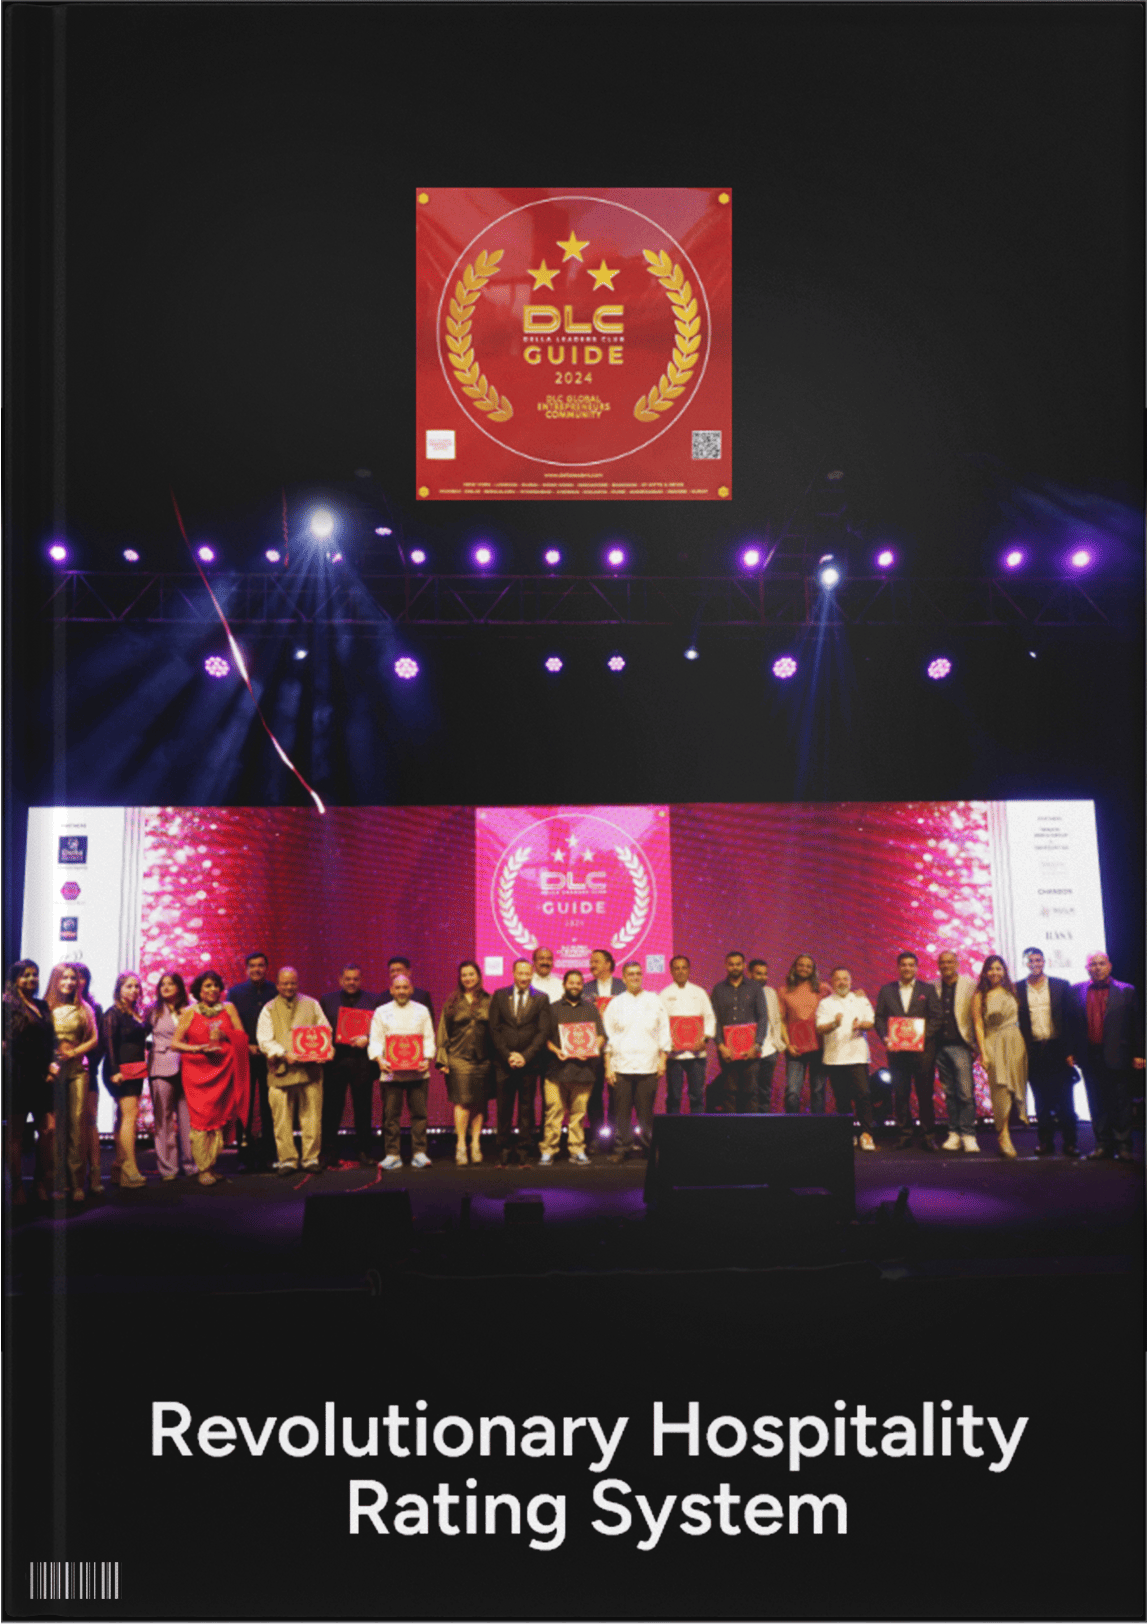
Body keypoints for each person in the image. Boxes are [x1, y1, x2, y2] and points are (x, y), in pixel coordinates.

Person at [173, 970, 250, 1186]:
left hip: (223, 1072)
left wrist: (226, 1035)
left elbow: (242, 1037)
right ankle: (203, 1168)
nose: (213, 989)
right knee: (202, 1121)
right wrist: (198, 1048)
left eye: (216, 985)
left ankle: (211, 1165)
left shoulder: (229, 1008)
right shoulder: (189, 1012)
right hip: (197, 1074)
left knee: (219, 1120)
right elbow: (175, 1043)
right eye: (207, 985)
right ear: (199, 990)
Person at [1070, 950, 1144, 1162]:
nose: (1097, 967)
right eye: (1093, 964)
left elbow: (1137, 1024)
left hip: (1118, 1053)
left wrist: (1140, 1053)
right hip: (1089, 1054)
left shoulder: (1126, 990)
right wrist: (1072, 1052)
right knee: (1096, 1101)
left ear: (1109, 966)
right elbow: (1072, 1024)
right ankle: (1102, 1144)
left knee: (1121, 1102)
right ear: (1087, 968)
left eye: (1101, 963)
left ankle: (1124, 1145)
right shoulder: (1076, 990)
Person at [256, 966, 330, 1175]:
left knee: (312, 1117)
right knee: (281, 1119)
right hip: (280, 1070)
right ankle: (287, 1160)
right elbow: (264, 1040)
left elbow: (325, 1030)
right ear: (277, 985)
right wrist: (283, 1053)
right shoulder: (269, 1008)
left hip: (310, 1071)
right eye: (285, 983)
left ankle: (310, 1158)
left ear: (298, 983)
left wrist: (325, 1049)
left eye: (293, 983)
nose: (289, 987)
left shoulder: (312, 1004)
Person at [874, 952, 943, 1150]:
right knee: (901, 1094)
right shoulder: (887, 990)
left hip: (923, 1052)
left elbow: (937, 1017)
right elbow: (879, 1018)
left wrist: (920, 1037)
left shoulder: (927, 989)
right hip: (897, 1052)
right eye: (903, 965)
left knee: (925, 1095)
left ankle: (928, 1135)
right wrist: (885, 1037)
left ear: (916, 968)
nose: (907, 968)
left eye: (911, 965)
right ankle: (905, 1135)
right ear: (898, 967)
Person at [3, 960, 57, 1205]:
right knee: (15, 1133)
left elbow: (51, 1039)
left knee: (48, 1129)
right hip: (17, 1072)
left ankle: (40, 1182)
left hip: (42, 1075)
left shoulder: (42, 1005)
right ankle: (16, 1187)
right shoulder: (6, 1004)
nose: (31, 979)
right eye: (26, 975)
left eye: (35, 974)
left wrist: (53, 1063)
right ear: (15, 979)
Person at [604, 961, 670, 1160]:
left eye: (638, 973)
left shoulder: (654, 1000)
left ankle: (648, 1148)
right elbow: (608, 1037)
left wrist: (663, 1060)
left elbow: (664, 1031)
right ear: (623, 978)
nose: (635, 977)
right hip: (621, 1066)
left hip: (648, 1065)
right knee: (621, 1113)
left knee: (646, 1113)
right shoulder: (615, 1004)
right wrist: (608, 1067)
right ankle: (621, 1148)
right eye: (630, 974)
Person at [1016, 947, 1079, 1157]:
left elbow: (1070, 1020)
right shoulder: (1017, 988)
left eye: (1038, 960)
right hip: (1033, 1050)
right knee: (1040, 1101)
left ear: (1044, 961)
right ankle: (1045, 1142)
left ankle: (1070, 1143)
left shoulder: (1061, 985)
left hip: (1058, 1049)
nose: (1034, 963)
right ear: (1025, 963)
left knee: (1066, 1100)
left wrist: (1070, 1051)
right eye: (1030, 960)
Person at [369, 974, 436, 1170]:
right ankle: (392, 1154)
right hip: (391, 1073)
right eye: (397, 988)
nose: (401, 991)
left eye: (405, 987)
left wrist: (427, 1059)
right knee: (391, 1117)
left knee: (419, 1115)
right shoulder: (381, 1011)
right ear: (391, 990)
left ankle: (419, 1153)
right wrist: (379, 1059)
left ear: (411, 989)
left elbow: (428, 1038)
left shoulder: (422, 1010)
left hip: (418, 1072)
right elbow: (376, 1039)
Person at [487, 959, 550, 1166]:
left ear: (532, 974)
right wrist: (508, 1055)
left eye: (527, 974)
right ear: (513, 973)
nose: (524, 977)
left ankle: (524, 1150)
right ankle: (503, 1150)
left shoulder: (541, 998)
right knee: (503, 1109)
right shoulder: (499, 995)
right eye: (520, 973)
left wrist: (525, 1056)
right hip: (504, 1063)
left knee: (526, 1109)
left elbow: (542, 1032)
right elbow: (494, 1029)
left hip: (529, 1064)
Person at [45, 963, 99, 1200]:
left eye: (72, 978)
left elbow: (94, 1039)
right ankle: (59, 1183)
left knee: (78, 1125)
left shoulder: (84, 1007)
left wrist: (75, 1052)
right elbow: (40, 1040)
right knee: (57, 1127)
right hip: (54, 1072)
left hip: (78, 1071)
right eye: (64, 978)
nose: (69, 982)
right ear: (56, 980)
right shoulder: (46, 1006)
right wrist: (51, 1061)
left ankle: (77, 1183)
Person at [319, 964, 382, 1168]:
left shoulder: (373, 1000)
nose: (352, 982)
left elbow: (381, 1029)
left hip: (362, 1061)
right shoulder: (327, 1000)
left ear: (361, 979)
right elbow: (320, 1029)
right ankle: (329, 1151)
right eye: (348, 979)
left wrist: (368, 1038)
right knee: (331, 1108)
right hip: (335, 1061)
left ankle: (363, 1150)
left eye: (355, 979)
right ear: (340, 980)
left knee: (363, 1108)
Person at [540, 970, 606, 1165]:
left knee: (578, 1115)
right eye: (571, 983)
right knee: (553, 1113)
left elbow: (601, 1036)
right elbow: (543, 1038)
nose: (575, 986)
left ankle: (577, 1149)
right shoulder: (552, 1008)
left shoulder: (591, 1009)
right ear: (564, 984)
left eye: (578, 983)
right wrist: (556, 1050)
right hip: (556, 1070)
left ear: (582, 986)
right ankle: (549, 1150)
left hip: (584, 1071)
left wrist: (592, 1048)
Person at [435, 961, 493, 1166]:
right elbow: (443, 1030)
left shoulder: (489, 1000)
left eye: (471, 974)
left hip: (484, 1059)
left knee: (479, 1102)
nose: (468, 978)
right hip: (458, 1058)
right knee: (461, 1101)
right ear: (460, 978)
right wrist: (442, 1059)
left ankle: (475, 1143)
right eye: (464, 975)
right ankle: (460, 1144)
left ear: (478, 976)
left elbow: (495, 1031)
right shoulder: (452, 1002)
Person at [971, 954, 1028, 1159]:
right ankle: (1003, 1135)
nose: (995, 972)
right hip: (993, 1042)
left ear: (1004, 971)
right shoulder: (980, 995)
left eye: (998, 968)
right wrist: (983, 1053)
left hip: (1015, 1041)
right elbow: (978, 1025)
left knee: (1013, 1088)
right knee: (1000, 1089)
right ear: (985, 972)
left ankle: (1007, 1131)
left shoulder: (1012, 992)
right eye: (991, 969)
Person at [816, 967, 877, 1149]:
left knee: (863, 1095)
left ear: (850, 981)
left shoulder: (860, 999)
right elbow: (820, 1028)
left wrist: (861, 1025)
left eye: (845, 979)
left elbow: (871, 1022)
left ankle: (866, 1134)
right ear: (832, 982)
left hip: (857, 1056)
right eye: (838, 979)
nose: (842, 982)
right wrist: (835, 1023)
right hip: (835, 1058)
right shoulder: (825, 1003)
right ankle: (848, 1133)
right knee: (842, 1098)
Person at [226, 952, 277, 1172]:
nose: (257, 969)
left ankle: (269, 1155)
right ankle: (244, 1156)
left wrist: (267, 1047)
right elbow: (229, 1024)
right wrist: (246, 1045)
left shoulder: (275, 991)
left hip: (270, 1058)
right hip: (243, 1057)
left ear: (267, 968)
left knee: (270, 1107)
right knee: (244, 1107)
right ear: (246, 969)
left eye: (261, 965)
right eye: (253, 966)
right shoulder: (235, 993)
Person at [102, 972, 152, 1187]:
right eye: (129, 986)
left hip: (136, 1069)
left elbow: (137, 1039)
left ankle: (119, 1166)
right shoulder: (113, 1013)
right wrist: (115, 1071)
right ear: (119, 989)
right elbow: (109, 1043)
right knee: (130, 1116)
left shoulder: (135, 1013)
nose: (134, 990)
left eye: (136, 986)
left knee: (124, 1117)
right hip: (120, 1070)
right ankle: (130, 1167)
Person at [147, 971, 197, 1181]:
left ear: (179, 987)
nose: (166, 987)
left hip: (188, 1067)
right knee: (163, 1120)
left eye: (170, 984)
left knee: (189, 1120)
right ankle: (168, 1168)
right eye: (162, 984)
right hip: (160, 1066)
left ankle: (191, 1164)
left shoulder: (191, 1008)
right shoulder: (152, 1010)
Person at [933, 950, 980, 1153]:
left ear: (957, 963)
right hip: (939, 1047)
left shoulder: (970, 985)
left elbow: (978, 1016)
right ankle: (954, 1133)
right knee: (950, 1094)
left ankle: (968, 1134)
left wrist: (977, 1045)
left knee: (965, 1093)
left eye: (950, 962)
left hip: (961, 1046)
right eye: (942, 962)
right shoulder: (932, 986)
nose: (946, 965)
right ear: (938, 965)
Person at [710, 951, 768, 1114]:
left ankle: (751, 1128)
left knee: (750, 1092)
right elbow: (714, 1020)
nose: (735, 967)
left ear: (744, 965)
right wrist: (720, 1046)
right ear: (726, 965)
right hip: (728, 1051)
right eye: (731, 964)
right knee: (729, 1093)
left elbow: (763, 1017)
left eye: (738, 964)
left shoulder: (755, 987)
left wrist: (757, 1045)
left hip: (751, 1051)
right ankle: (731, 1128)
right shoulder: (718, 989)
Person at [659, 955, 715, 1115]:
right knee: (674, 1097)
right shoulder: (664, 994)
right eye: (676, 968)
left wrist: (705, 1039)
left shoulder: (699, 992)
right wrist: (667, 1043)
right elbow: (661, 1023)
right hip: (674, 1054)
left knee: (697, 1096)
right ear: (671, 971)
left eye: (684, 968)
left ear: (689, 970)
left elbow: (709, 1017)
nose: (680, 971)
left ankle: (698, 1129)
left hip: (697, 1054)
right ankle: (674, 1129)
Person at [68, 963, 106, 1195]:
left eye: (81, 977)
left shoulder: (94, 1007)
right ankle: (70, 1177)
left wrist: (88, 1064)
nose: (76, 982)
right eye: (73, 977)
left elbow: (99, 1044)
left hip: (87, 1070)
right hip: (63, 1071)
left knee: (90, 1121)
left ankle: (95, 1173)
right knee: (67, 1124)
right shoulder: (56, 1005)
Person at [583, 948, 624, 1152]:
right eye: (591, 962)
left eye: (596, 961)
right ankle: (597, 1137)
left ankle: (616, 1137)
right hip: (594, 1048)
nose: (592, 965)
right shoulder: (585, 988)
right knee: (594, 1094)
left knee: (617, 1094)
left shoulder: (623, 986)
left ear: (608, 964)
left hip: (618, 1047)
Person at [778, 953, 830, 1114]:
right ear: (794, 967)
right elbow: (782, 1021)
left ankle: (818, 1128)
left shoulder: (823, 988)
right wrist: (788, 1045)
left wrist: (857, 994)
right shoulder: (784, 991)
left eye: (808, 966)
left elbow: (840, 1000)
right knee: (792, 1093)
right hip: (795, 1048)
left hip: (819, 1047)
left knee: (818, 1091)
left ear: (813, 970)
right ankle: (792, 1127)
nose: (804, 968)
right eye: (801, 965)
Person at [748, 959, 785, 1113]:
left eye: (765, 974)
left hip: (770, 1050)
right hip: (749, 1050)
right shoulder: (742, 992)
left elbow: (776, 1019)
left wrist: (778, 1044)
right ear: (749, 974)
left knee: (764, 1090)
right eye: (758, 974)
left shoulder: (770, 992)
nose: (763, 977)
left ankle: (763, 1122)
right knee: (750, 1090)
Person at [387, 957, 435, 1028]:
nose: (395, 974)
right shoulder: (383, 997)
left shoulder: (422, 996)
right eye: (392, 971)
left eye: (399, 970)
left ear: (409, 972)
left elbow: (429, 1024)